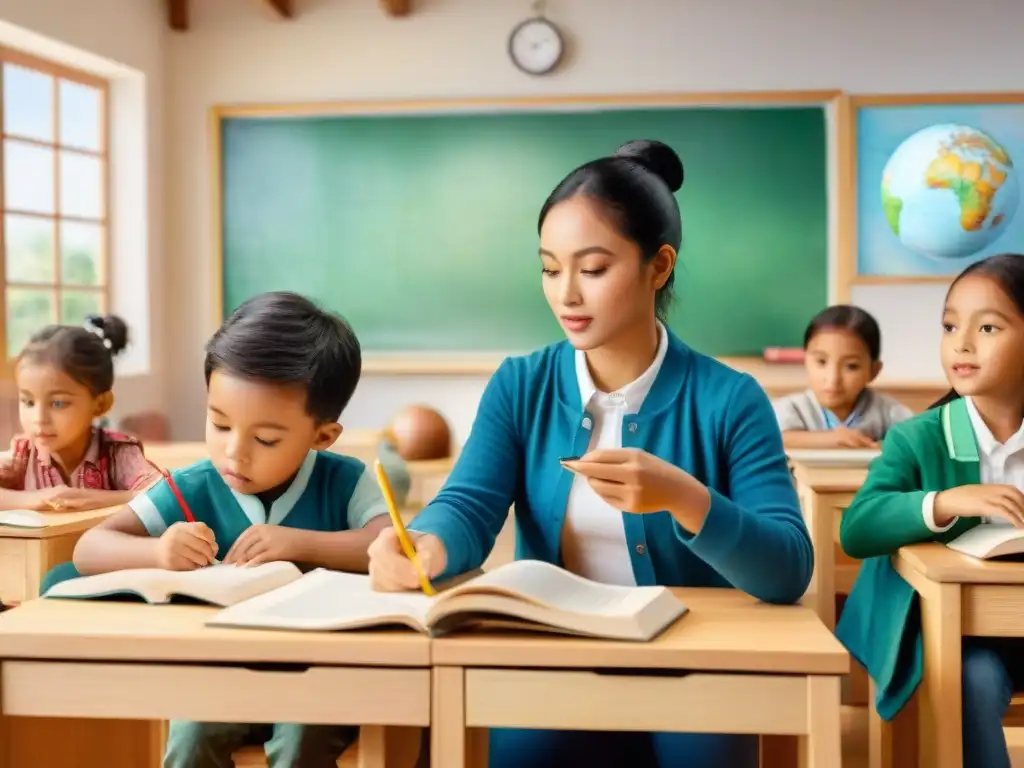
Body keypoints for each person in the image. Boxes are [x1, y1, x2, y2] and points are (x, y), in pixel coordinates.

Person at [366, 139, 813, 768]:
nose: (566, 294)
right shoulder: (521, 385)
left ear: (659, 267)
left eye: (593, 268)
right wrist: (426, 548)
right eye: (550, 268)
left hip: (695, 667)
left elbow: (789, 569)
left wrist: (684, 498)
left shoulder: (731, 399)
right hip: (553, 665)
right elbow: (468, 505)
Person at [72, 292, 391, 768]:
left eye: (265, 439)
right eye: (219, 424)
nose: (234, 453)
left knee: (303, 734)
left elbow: (388, 547)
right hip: (218, 674)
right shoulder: (190, 486)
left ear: (321, 436)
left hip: (321, 678)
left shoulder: (344, 481)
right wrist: (158, 551)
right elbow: (89, 548)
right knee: (189, 735)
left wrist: (300, 544)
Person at [837, 253, 1024, 768]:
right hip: (952, 634)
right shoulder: (919, 436)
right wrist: (943, 503)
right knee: (975, 680)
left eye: (987, 326)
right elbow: (857, 528)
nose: (961, 343)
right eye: (949, 325)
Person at [0, 315, 160, 511]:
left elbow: (163, 493)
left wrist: (95, 499)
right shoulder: (23, 455)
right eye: (28, 402)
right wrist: (41, 499)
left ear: (100, 404)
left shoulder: (118, 454)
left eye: (57, 403)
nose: (39, 419)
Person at [773, 305, 913, 449]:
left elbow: (916, 440)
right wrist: (830, 439)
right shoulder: (791, 408)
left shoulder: (888, 411)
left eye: (851, 366)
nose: (833, 378)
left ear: (873, 370)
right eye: (821, 362)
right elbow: (772, 439)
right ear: (805, 361)